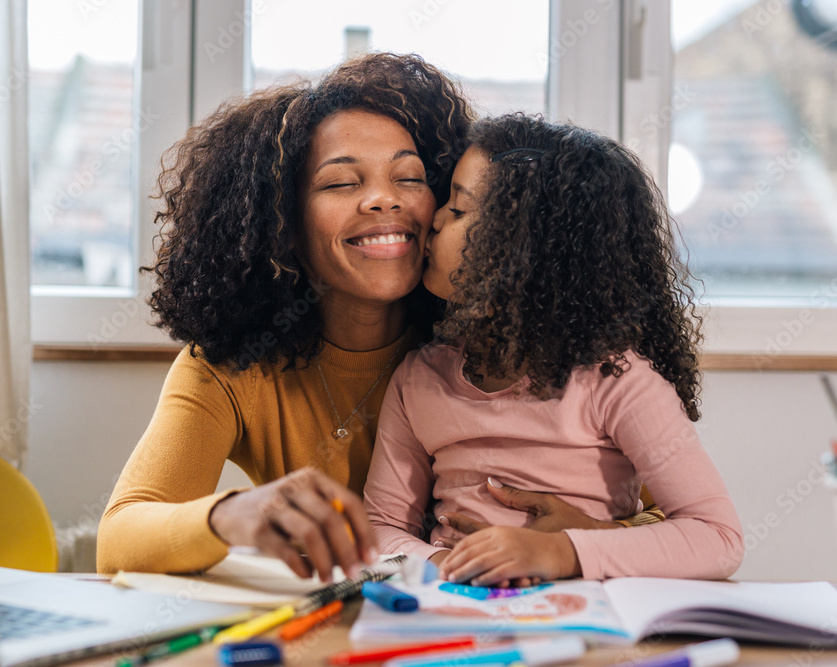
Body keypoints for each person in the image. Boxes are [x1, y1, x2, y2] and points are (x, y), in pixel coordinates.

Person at [97, 54, 663, 580]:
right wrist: (230, 513)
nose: (383, 200)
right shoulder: (228, 365)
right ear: (280, 222)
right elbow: (118, 541)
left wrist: (587, 539)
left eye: (410, 178)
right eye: (342, 182)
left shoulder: (505, 340)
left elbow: (689, 526)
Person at [364, 114, 744, 585]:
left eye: (459, 211)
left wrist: (561, 552)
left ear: (525, 252)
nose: (434, 220)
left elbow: (718, 538)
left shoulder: (616, 379)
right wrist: (439, 564)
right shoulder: (419, 379)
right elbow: (380, 528)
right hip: (458, 613)